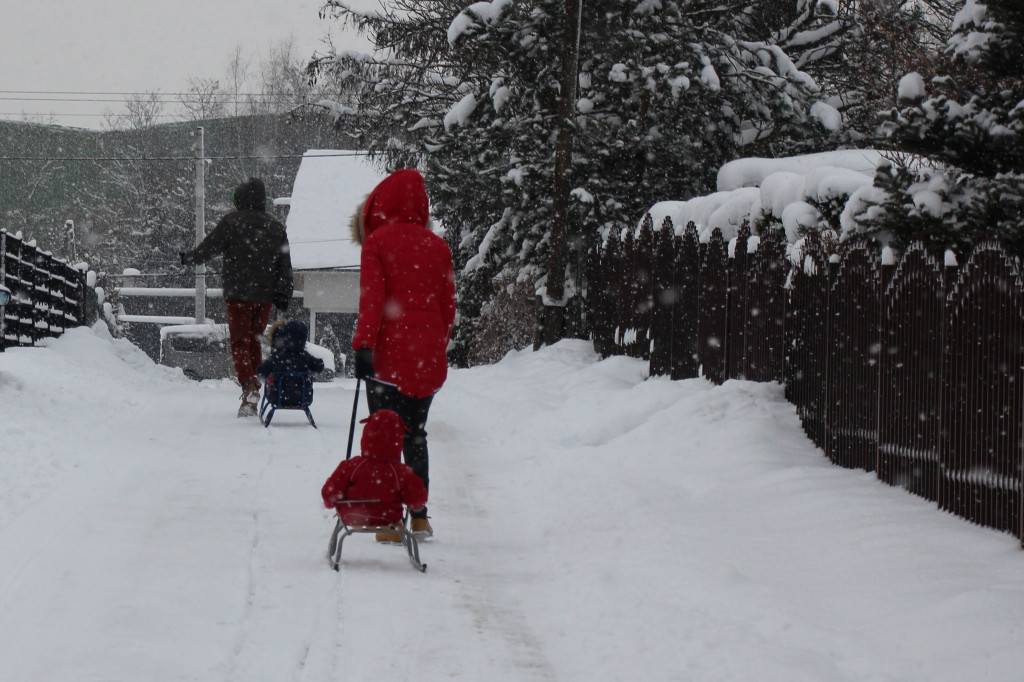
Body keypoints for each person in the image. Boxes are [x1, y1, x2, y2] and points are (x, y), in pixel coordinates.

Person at [349, 168, 456, 540]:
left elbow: (372, 303)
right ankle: (421, 514)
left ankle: (391, 519)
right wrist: (434, 347)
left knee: (385, 437)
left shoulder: (377, 244)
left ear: (380, 204)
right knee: (416, 436)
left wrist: (363, 346)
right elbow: (448, 309)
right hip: (425, 358)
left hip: (387, 358)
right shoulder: (438, 247)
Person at [180, 177, 293, 418]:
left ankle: (248, 385)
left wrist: (190, 258)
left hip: (238, 294)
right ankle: (252, 390)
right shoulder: (275, 227)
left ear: (240, 199)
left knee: (239, 341)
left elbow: (210, 247)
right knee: (253, 341)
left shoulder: (232, 222)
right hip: (264, 297)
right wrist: (283, 293)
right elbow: (285, 265)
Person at [321, 409, 429, 537]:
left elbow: (330, 492)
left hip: (353, 515)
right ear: (399, 439)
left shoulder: (352, 466)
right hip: (389, 518)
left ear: (366, 435)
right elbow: (417, 500)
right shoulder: (401, 472)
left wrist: (330, 503)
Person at [256, 319, 325, 406]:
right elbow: (319, 366)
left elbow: (261, 371)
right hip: (303, 397)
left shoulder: (277, 357)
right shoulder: (305, 356)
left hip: (277, 396)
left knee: (273, 383)